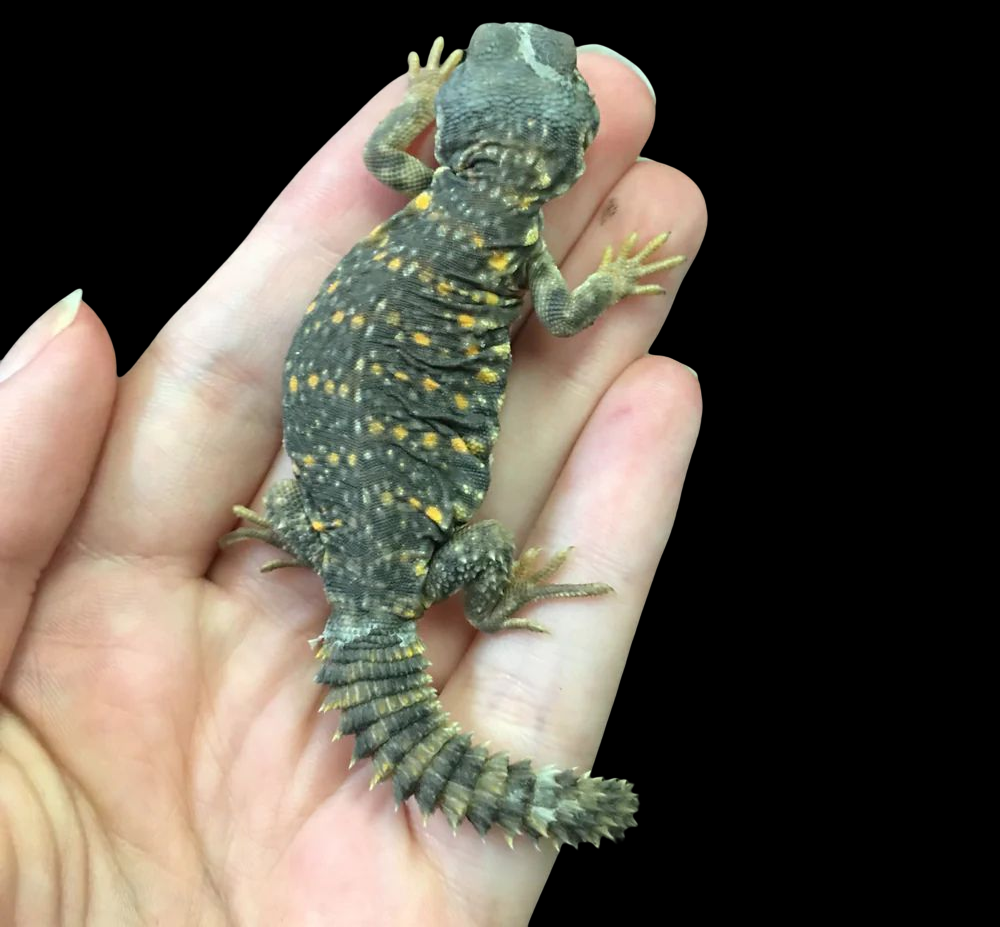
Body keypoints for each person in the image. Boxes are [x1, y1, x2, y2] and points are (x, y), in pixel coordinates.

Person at [0, 47, 704, 924]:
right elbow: (561, 317)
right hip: (333, 531)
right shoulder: (519, 238)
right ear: (567, 159)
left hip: (347, 521)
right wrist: (614, 281)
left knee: (479, 546)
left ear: (457, 137)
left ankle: (457, 596)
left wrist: (417, 98)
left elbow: (382, 157)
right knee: (479, 544)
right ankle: (487, 609)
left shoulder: (427, 188)